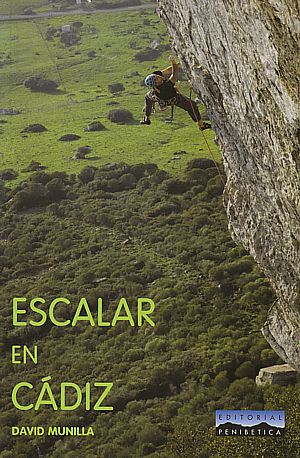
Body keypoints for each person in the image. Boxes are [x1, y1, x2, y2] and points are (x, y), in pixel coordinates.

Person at [140, 58, 210, 130]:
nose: (159, 76)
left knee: (148, 97)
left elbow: (168, 70)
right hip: (172, 98)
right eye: (157, 78)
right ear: (157, 84)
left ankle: (146, 117)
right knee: (192, 106)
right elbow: (174, 74)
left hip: (157, 96)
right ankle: (201, 125)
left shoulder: (156, 77)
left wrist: (182, 63)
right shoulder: (165, 88)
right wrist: (174, 62)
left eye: (156, 76)